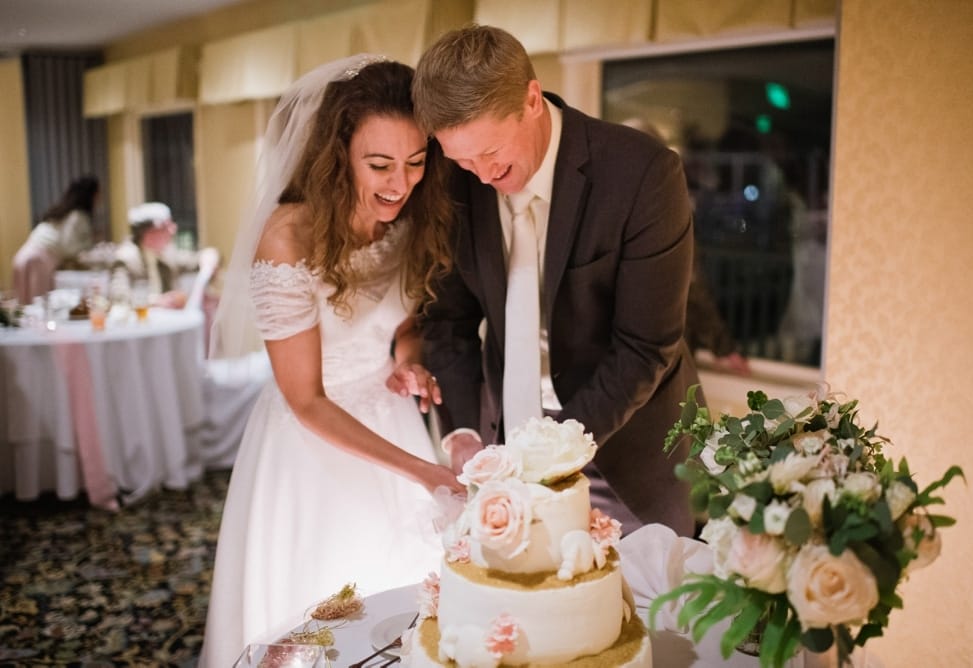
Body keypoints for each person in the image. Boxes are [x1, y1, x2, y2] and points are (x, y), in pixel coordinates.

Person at [199, 55, 462, 666]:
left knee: (405, 609)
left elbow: (402, 321)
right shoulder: (288, 239)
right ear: (338, 154)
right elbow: (306, 399)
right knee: (322, 621)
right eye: (379, 164)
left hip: (391, 416)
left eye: (416, 162)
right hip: (313, 445)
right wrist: (423, 474)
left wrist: (406, 360)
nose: (401, 182)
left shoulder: (406, 220)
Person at [412, 25, 702, 538]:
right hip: (501, 439)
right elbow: (447, 321)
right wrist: (461, 433)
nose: (480, 175)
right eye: (462, 159)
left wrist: (546, 455)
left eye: (491, 153)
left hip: (627, 448)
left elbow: (645, 347)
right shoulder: (456, 184)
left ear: (530, 99)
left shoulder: (643, 175)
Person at [620, 118, 751, 376]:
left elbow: (692, 285)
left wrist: (723, 346)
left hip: (658, 351)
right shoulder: (623, 209)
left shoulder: (663, 209)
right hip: (629, 354)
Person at [12, 174, 99, 303]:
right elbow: (69, 248)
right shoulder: (78, 215)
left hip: (25, 256)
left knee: (25, 307)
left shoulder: (66, 211)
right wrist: (89, 246)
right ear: (91, 195)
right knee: (39, 307)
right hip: (38, 260)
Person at [111, 202, 187, 308]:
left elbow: (191, 260)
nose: (173, 230)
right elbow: (119, 298)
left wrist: (207, 256)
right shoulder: (126, 259)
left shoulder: (166, 252)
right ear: (148, 233)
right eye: (166, 226)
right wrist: (154, 302)